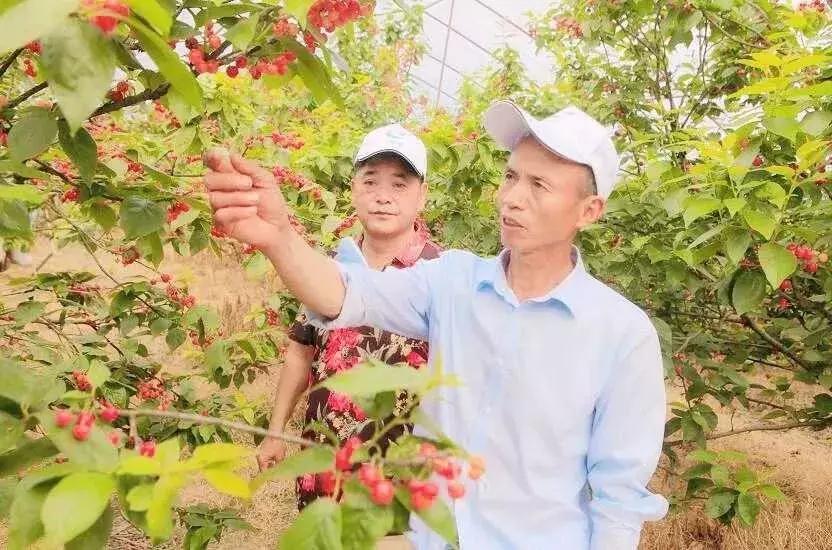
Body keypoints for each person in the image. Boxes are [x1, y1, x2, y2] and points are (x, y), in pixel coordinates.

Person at [204, 100, 668, 550]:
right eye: (510, 177)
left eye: (539, 185)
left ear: (589, 211)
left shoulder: (621, 335)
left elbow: (619, 498)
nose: (511, 198)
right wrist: (279, 237)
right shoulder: (452, 281)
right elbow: (347, 293)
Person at [255, 124, 442, 512]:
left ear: (422, 195)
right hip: (326, 467)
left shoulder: (441, 275)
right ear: (353, 188)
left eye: (400, 184)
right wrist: (275, 431)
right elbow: (300, 353)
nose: (383, 197)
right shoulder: (326, 269)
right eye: (370, 182)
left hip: (402, 481)